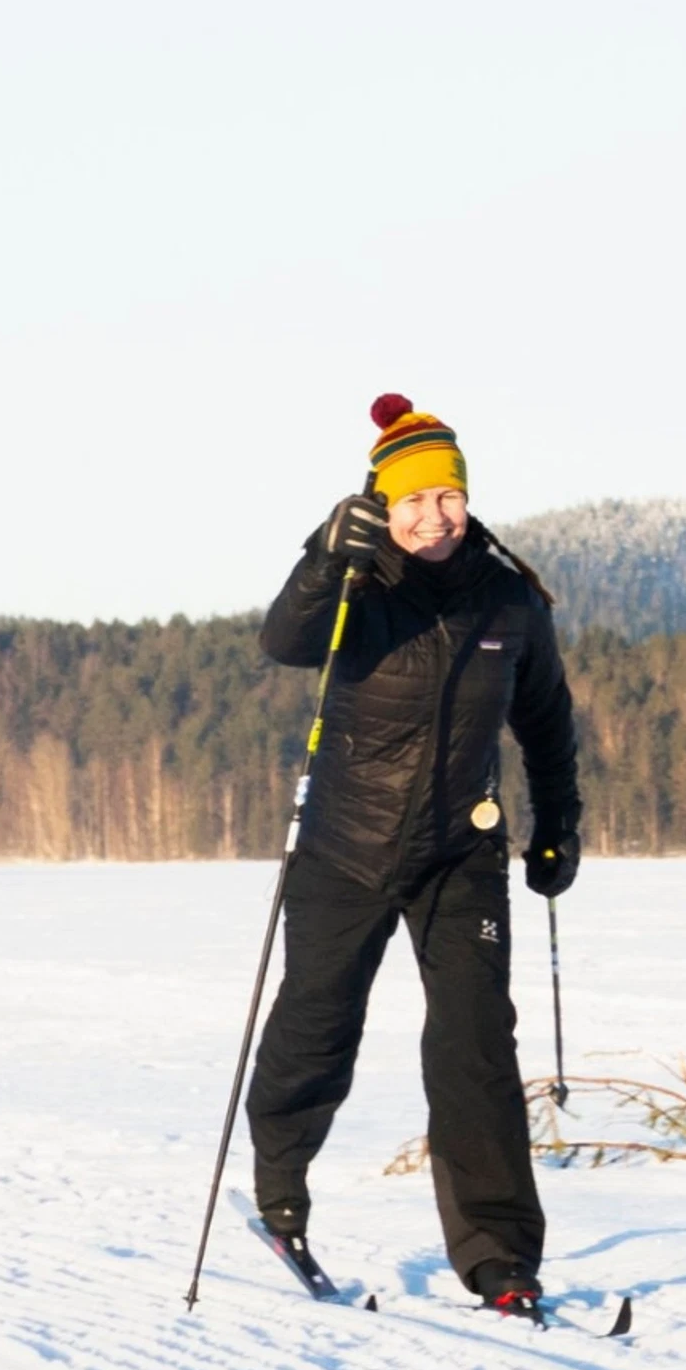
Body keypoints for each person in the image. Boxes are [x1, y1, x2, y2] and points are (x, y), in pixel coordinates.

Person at [246, 393, 584, 1318]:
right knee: (317, 1026)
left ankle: (500, 1258)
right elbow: (285, 640)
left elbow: (546, 720)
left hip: (459, 849)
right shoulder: (356, 580)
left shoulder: (507, 596)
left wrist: (558, 823)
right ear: (382, 504)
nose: (435, 515)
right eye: (415, 499)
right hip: (344, 848)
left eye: (450, 496)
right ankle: (280, 1190)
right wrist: (324, 555)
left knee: (475, 1048)